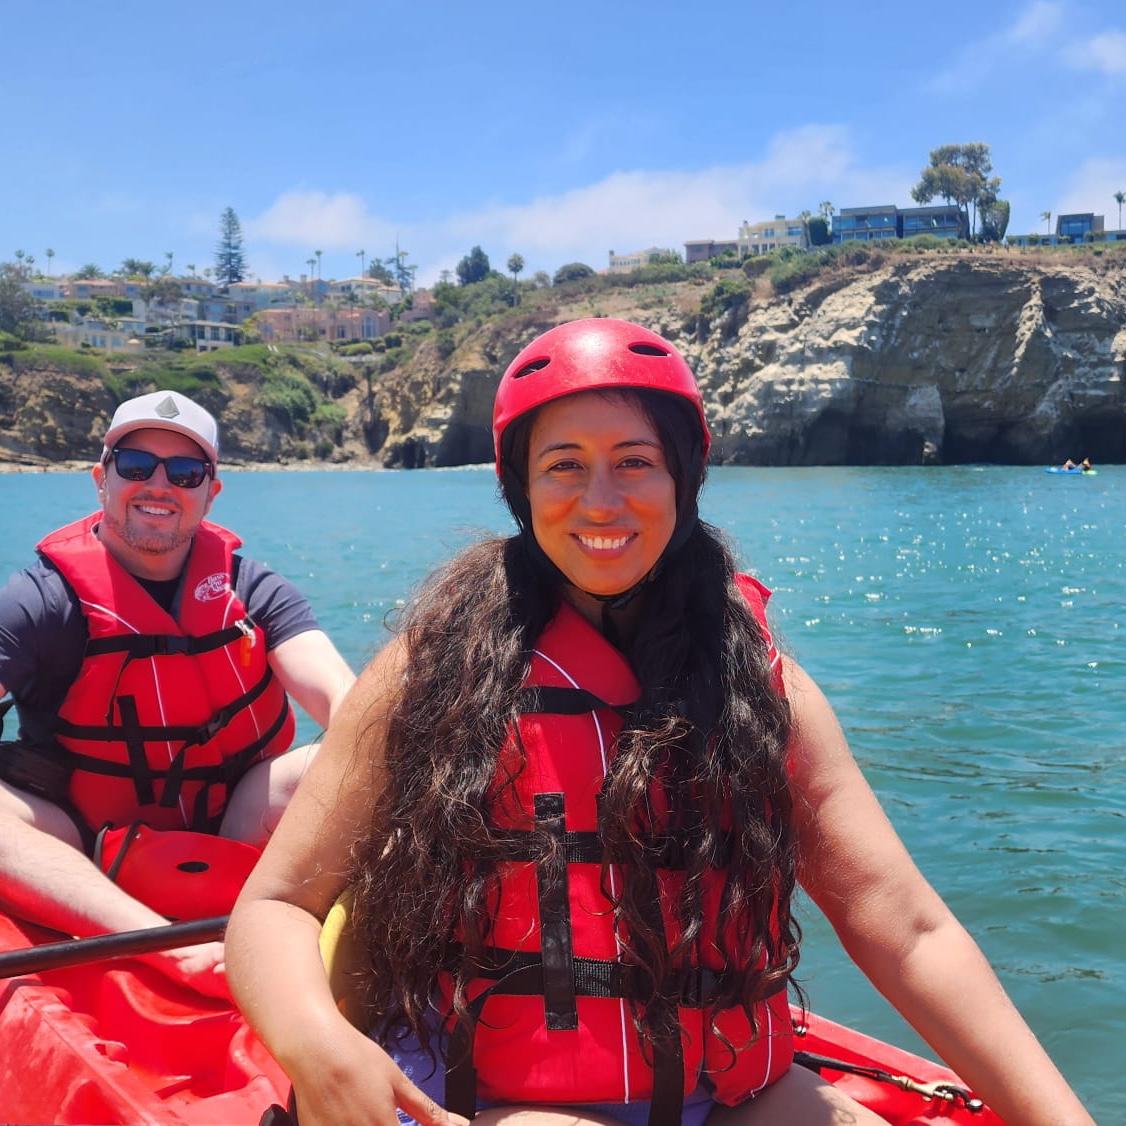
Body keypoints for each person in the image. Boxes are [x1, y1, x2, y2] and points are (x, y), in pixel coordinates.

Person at [226, 321, 1092, 1125]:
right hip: (496, 1099)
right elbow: (276, 905)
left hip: (726, 1093)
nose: (601, 501)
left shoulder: (762, 688)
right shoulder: (429, 674)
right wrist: (316, 1041)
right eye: (564, 465)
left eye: (635, 462)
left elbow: (906, 929)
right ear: (521, 488)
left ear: (684, 475)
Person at [0, 389, 355, 997]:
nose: (159, 485)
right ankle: (163, 943)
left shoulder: (254, 592)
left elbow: (345, 702)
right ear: (102, 480)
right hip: (87, 847)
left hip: (233, 830)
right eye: (136, 465)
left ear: (210, 492)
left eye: (185, 472)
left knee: (355, 752)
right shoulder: (39, 603)